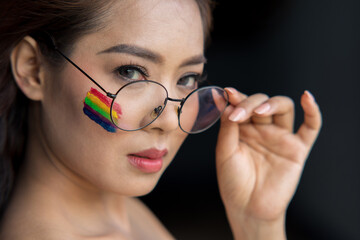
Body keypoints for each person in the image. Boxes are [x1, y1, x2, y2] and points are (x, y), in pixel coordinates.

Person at [0, 0, 322, 239]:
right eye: (130, 72)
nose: (169, 120)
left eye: (187, 78)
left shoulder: (119, 213)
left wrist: (259, 225)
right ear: (33, 69)